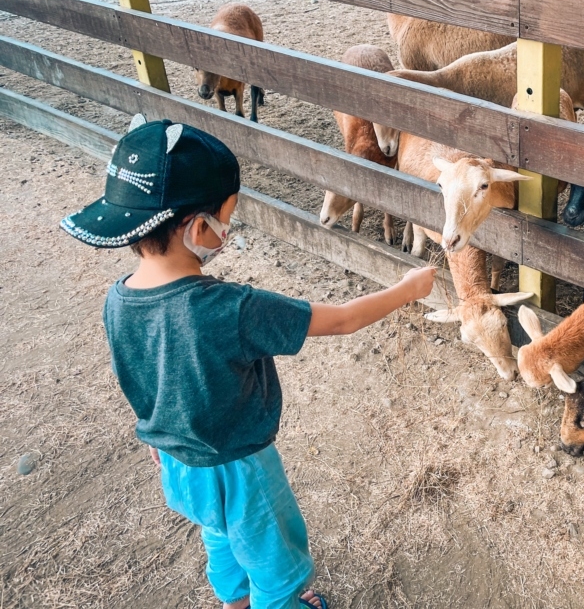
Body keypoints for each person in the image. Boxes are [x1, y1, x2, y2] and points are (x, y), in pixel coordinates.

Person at [60, 115, 436, 609]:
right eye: (226, 220)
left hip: (176, 460)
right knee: (277, 565)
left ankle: (233, 600)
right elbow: (342, 320)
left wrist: (155, 435)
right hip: (239, 466)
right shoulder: (229, 308)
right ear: (197, 226)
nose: (227, 230)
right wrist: (407, 288)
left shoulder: (117, 300)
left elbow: (138, 375)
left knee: (218, 532)